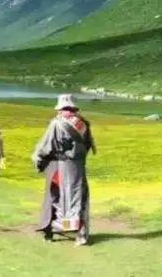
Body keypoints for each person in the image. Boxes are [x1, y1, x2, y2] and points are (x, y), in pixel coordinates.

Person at [32, 94, 96, 246]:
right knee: (79, 199)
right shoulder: (84, 124)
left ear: (61, 109)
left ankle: (51, 229)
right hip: (78, 167)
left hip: (61, 166)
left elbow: (45, 145)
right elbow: (88, 146)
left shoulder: (57, 124)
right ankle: (81, 235)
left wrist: (38, 159)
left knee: (54, 197)